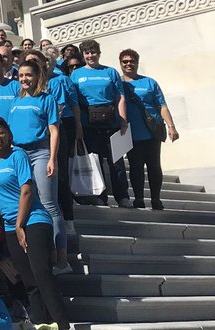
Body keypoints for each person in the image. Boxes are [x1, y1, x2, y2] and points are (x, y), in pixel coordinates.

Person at [0, 117, 74, 330]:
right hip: (11, 227)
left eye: (0, 132)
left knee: (42, 274)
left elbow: (27, 190)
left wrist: (20, 224)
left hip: (33, 221)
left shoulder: (18, 155)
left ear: (8, 134)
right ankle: (42, 329)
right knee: (29, 283)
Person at [8, 60, 68, 269]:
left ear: (37, 77)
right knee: (27, 202)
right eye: (21, 75)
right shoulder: (15, 102)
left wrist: (53, 158)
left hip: (40, 152)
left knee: (49, 203)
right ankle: (42, 250)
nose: (24, 79)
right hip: (19, 153)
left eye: (28, 75)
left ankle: (61, 256)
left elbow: (54, 130)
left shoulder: (47, 99)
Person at [70, 39, 130, 207]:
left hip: (112, 123)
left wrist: (123, 122)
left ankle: (123, 197)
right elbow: (74, 101)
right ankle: (100, 196)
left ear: (99, 53)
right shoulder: (76, 75)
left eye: (93, 52)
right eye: (87, 53)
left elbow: (120, 97)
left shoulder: (110, 72)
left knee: (117, 162)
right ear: (83, 55)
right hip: (88, 123)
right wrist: (78, 126)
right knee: (94, 162)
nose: (91, 56)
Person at [119, 48, 179, 209]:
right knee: (135, 167)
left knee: (154, 166)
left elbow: (162, 106)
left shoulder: (149, 82)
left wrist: (171, 126)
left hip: (152, 131)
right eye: (125, 61)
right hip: (130, 133)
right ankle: (139, 198)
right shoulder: (118, 83)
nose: (128, 64)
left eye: (132, 61)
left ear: (137, 63)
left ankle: (156, 199)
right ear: (120, 64)